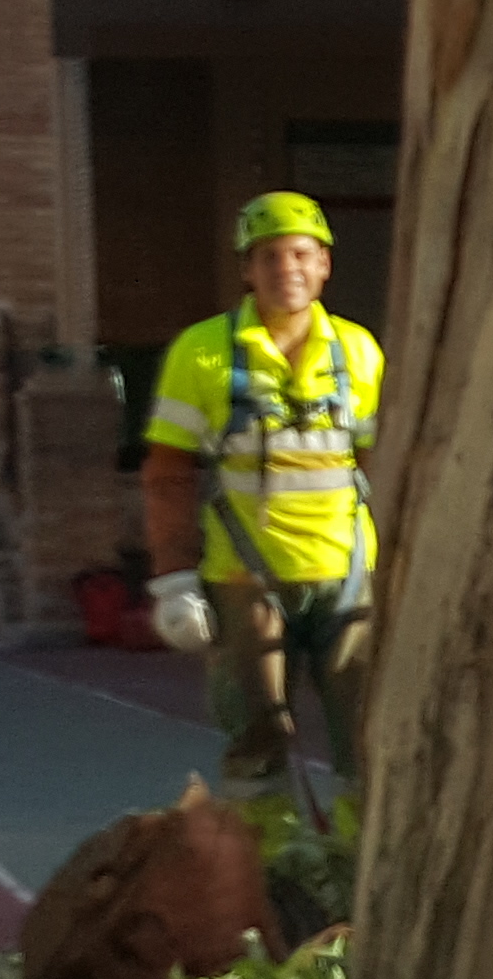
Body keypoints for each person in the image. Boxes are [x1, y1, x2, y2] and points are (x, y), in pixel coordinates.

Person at [142, 191, 387, 788]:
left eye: (301, 254)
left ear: (325, 263)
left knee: (365, 732)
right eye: (270, 257)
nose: (288, 270)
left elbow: (384, 464)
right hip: (245, 579)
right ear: (247, 269)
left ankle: (357, 861)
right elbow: (169, 473)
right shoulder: (201, 353)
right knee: (257, 734)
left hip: (346, 574)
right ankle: (266, 861)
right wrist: (174, 579)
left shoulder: (358, 351)